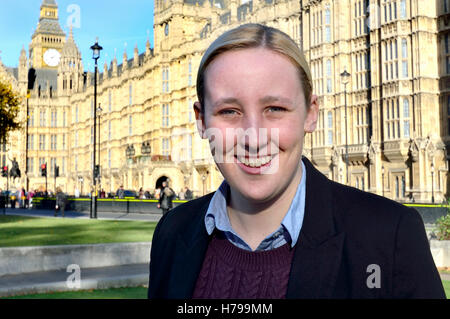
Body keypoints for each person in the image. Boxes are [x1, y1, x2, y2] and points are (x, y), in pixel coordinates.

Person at [148, 24, 445, 299]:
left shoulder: (389, 235)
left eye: (275, 108)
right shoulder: (172, 232)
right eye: (229, 112)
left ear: (311, 113)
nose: (254, 138)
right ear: (201, 120)